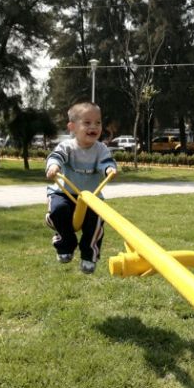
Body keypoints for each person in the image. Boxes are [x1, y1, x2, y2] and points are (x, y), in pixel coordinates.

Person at [45, 102, 117, 274]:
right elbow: (56, 156)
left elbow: (106, 162)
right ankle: (65, 245)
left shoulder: (101, 149)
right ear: (72, 127)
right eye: (87, 122)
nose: (94, 127)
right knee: (58, 210)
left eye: (98, 122)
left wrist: (109, 169)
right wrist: (53, 166)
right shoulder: (67, 147)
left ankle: (89, 256)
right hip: (64, 193)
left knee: (96, 222)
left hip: (91, 196)